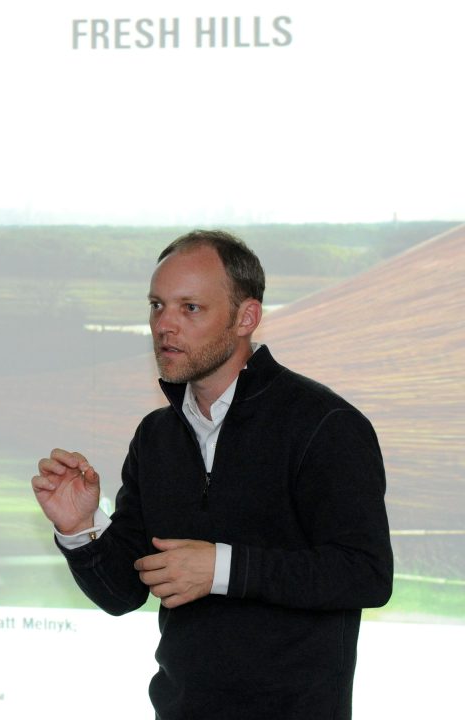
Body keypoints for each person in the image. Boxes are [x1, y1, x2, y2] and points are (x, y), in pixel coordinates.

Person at [32, 230, 392, 719]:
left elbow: (365, 574)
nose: (165, 325)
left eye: (190, 308)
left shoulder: (324, 424)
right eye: (157, 306)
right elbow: (122, 593)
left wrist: (222, 570)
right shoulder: (156, 436)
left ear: (246, 318)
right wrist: (80, 529)